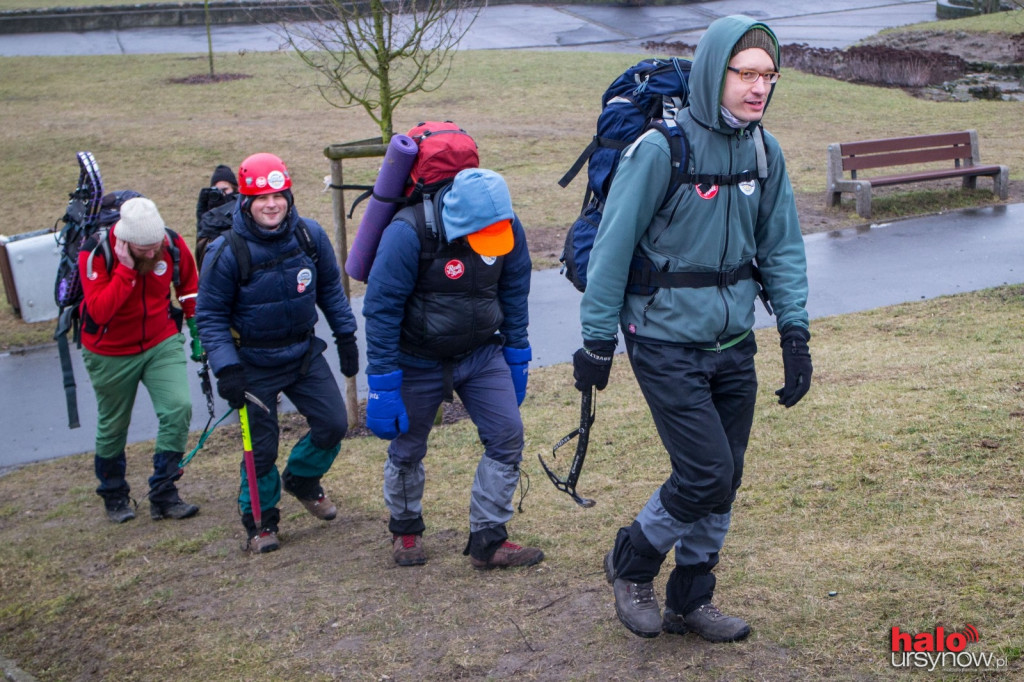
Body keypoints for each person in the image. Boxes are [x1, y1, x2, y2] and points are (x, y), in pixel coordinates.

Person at [575, 15, 812, 641]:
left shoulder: (766, 150)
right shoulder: (661, 148)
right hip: (663, 337)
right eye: (746, 74)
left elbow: (782, 248)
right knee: (705, 471)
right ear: (716, 72)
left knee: (725, 475)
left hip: (733, 340)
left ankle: (691, 597)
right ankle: (631, 563)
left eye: (768, 76)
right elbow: (613, 247)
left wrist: (794, 333)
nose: (758, 88)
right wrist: (596, 339)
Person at [362, 167, 543, 571]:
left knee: (507, 435)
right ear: (457, 220)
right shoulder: (407, 234)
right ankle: (405, 528)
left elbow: (515, 290)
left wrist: (516, 353)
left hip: (481, 353)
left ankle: (489, 540)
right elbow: (381, 309)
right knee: (408, 447)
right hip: (416, 358)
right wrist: (383, 384)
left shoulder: (507, 226)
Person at [195, 152, 359, 554]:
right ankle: (261, 522)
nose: (271, 204)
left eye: (278, 195)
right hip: (252, 365)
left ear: (288, 195)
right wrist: (227, 369)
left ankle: (302, 479)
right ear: (245, 202)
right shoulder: (226, 251)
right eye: (260, 197)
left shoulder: (309, 235)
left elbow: (332, 294)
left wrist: (346, 338)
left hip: (303, 353)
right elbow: (210, 316)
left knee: (334, 423)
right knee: (261, 448)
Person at [80, 196, 203, 523]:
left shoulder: (170, 244)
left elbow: (188, 285)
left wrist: (196, 329)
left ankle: (164, 493)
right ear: (126, 242)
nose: (152, 253)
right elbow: (100, 310)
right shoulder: (96, 254)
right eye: (144, 249)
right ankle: (114, 494)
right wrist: (126, 270)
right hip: (109, 351)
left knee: (178, 407)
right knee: (114, 424)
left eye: (156, 246)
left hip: (160, 339)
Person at [194, 164, 239, 272]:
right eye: (217, 191)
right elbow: (202, 240)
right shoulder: (210, 211)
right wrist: (203, 211)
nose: (222, 194)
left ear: (234, 188)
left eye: (225, 189)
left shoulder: (240, 207)